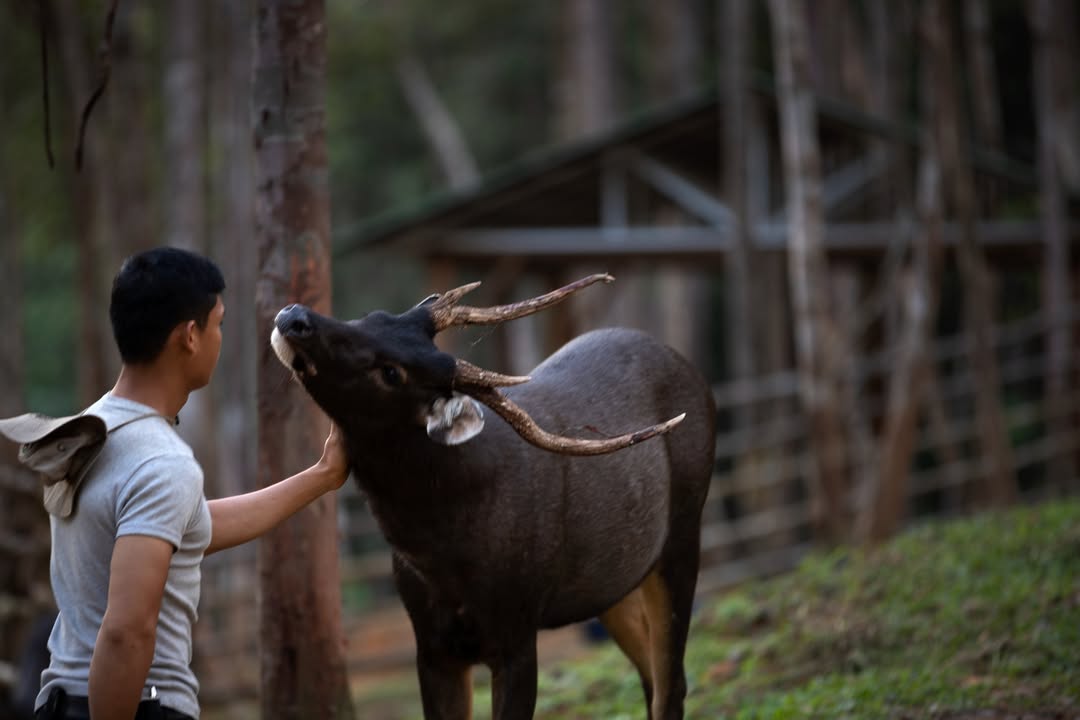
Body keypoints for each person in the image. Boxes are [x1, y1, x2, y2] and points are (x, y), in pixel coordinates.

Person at [31, 247, 350, 720]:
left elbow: (189, 527)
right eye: (218, 324)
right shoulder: (161, 462)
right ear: (190, 337)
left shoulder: (93, 429)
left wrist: (321, 476)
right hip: (138, 704)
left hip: (63, 704)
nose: (221, 338)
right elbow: (127, 632)